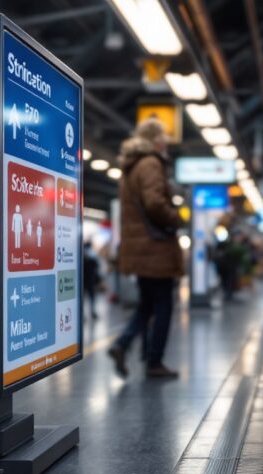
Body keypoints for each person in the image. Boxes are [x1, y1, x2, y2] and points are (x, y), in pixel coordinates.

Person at [108, 118, 183, 378]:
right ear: (155, 139)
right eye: (163, 136)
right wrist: (176, 217)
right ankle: (154, 362)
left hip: (140, 249)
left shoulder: (130, 167)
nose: (165, 142)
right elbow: (153, 203)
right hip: (156, 249)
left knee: (147, 304)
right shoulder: (150, 163)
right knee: (163, 305)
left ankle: (123, 344)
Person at [82, 241, 100, 320]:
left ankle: (84, 314)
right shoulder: (92, 255)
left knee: (84, 298)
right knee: (91, 297)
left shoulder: (82, 256)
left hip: (84, 281)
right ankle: (91, 312)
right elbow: (97, 266)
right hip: (90, 280)